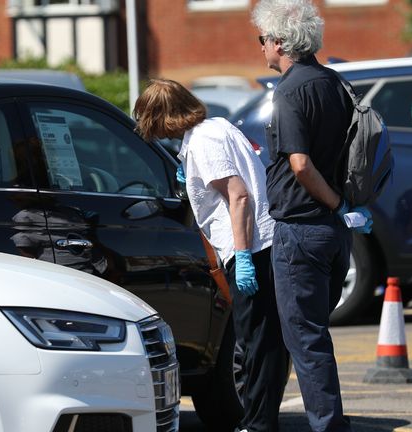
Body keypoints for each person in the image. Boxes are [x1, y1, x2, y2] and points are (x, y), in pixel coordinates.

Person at [133, 79, 289, 432]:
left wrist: (243, 254)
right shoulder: (215, 128)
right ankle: (261, 421)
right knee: (262, 339)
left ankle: (258, 424)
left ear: (163, 117)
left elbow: (239, 195)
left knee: (254, 341)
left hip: (251, 245)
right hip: (263, 241)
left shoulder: (203, 142)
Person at [251, 0, 368, 431]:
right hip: (334, 232)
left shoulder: (289, 90)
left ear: (279, 42)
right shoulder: (335, 83)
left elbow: (299, 164)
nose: (261, 48)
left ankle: (327, 425)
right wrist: (342, 208)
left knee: (306, 340)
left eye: (262, 39)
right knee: (315, 335)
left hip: (301, 227)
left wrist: (334, 204)